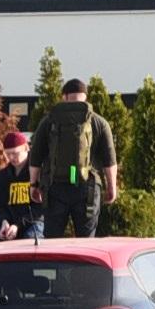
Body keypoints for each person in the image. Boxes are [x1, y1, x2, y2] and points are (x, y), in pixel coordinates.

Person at [28, 78, 119, 240]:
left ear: (64, 96)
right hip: (88, 189)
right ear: (85, 96)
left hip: (54, 188)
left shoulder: (49, 120)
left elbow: (35, 158)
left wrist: (34, 185)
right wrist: (112, 187)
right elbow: (109, 160)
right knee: (86, 243)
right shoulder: (99, 122)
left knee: (52, 242)